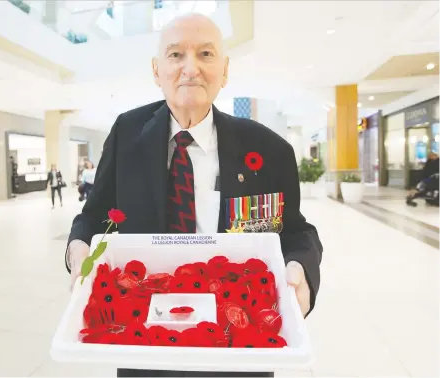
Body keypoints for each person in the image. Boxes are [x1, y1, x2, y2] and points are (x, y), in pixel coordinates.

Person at [66, 13, 322, 378]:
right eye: (175, 55)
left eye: (205, 54)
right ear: (156, 71)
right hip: (145, 342)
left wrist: (301, 272)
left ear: (225, 69)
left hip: (237, 345)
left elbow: (296, 233)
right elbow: (92, 218)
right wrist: (78, 249)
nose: (190, 68)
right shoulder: (127, 133)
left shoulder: (269, 149)